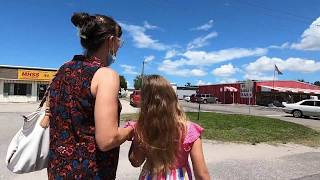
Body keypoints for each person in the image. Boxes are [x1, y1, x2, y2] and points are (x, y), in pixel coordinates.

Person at [46, 12, 133, 179]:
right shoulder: (106, 75)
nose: (119, 47)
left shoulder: (63, 69)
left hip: (57, 169)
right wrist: (131, 130)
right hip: (90, 173)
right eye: (119, 42)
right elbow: (107, 140)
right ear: (110, 41)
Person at [126, 75, 210, 180]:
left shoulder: (143, 127)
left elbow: (136, 161)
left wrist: (136, 136)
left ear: (146, 102)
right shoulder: (189, 130)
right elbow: (202, 174)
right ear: (172, 98)